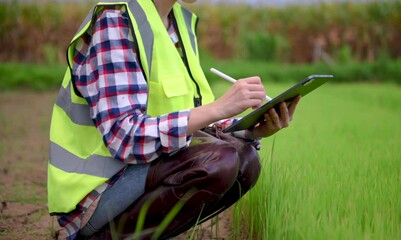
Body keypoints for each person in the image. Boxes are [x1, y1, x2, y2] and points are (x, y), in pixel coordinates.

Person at [47, 0, 301, 239]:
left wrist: (252, 129)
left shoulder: (178, 22)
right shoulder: (116, 19)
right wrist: (219, 108)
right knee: (219, 161)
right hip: (97, 194)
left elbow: (188, 121)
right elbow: (124, 138)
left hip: (142, 170)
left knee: (246, 160)